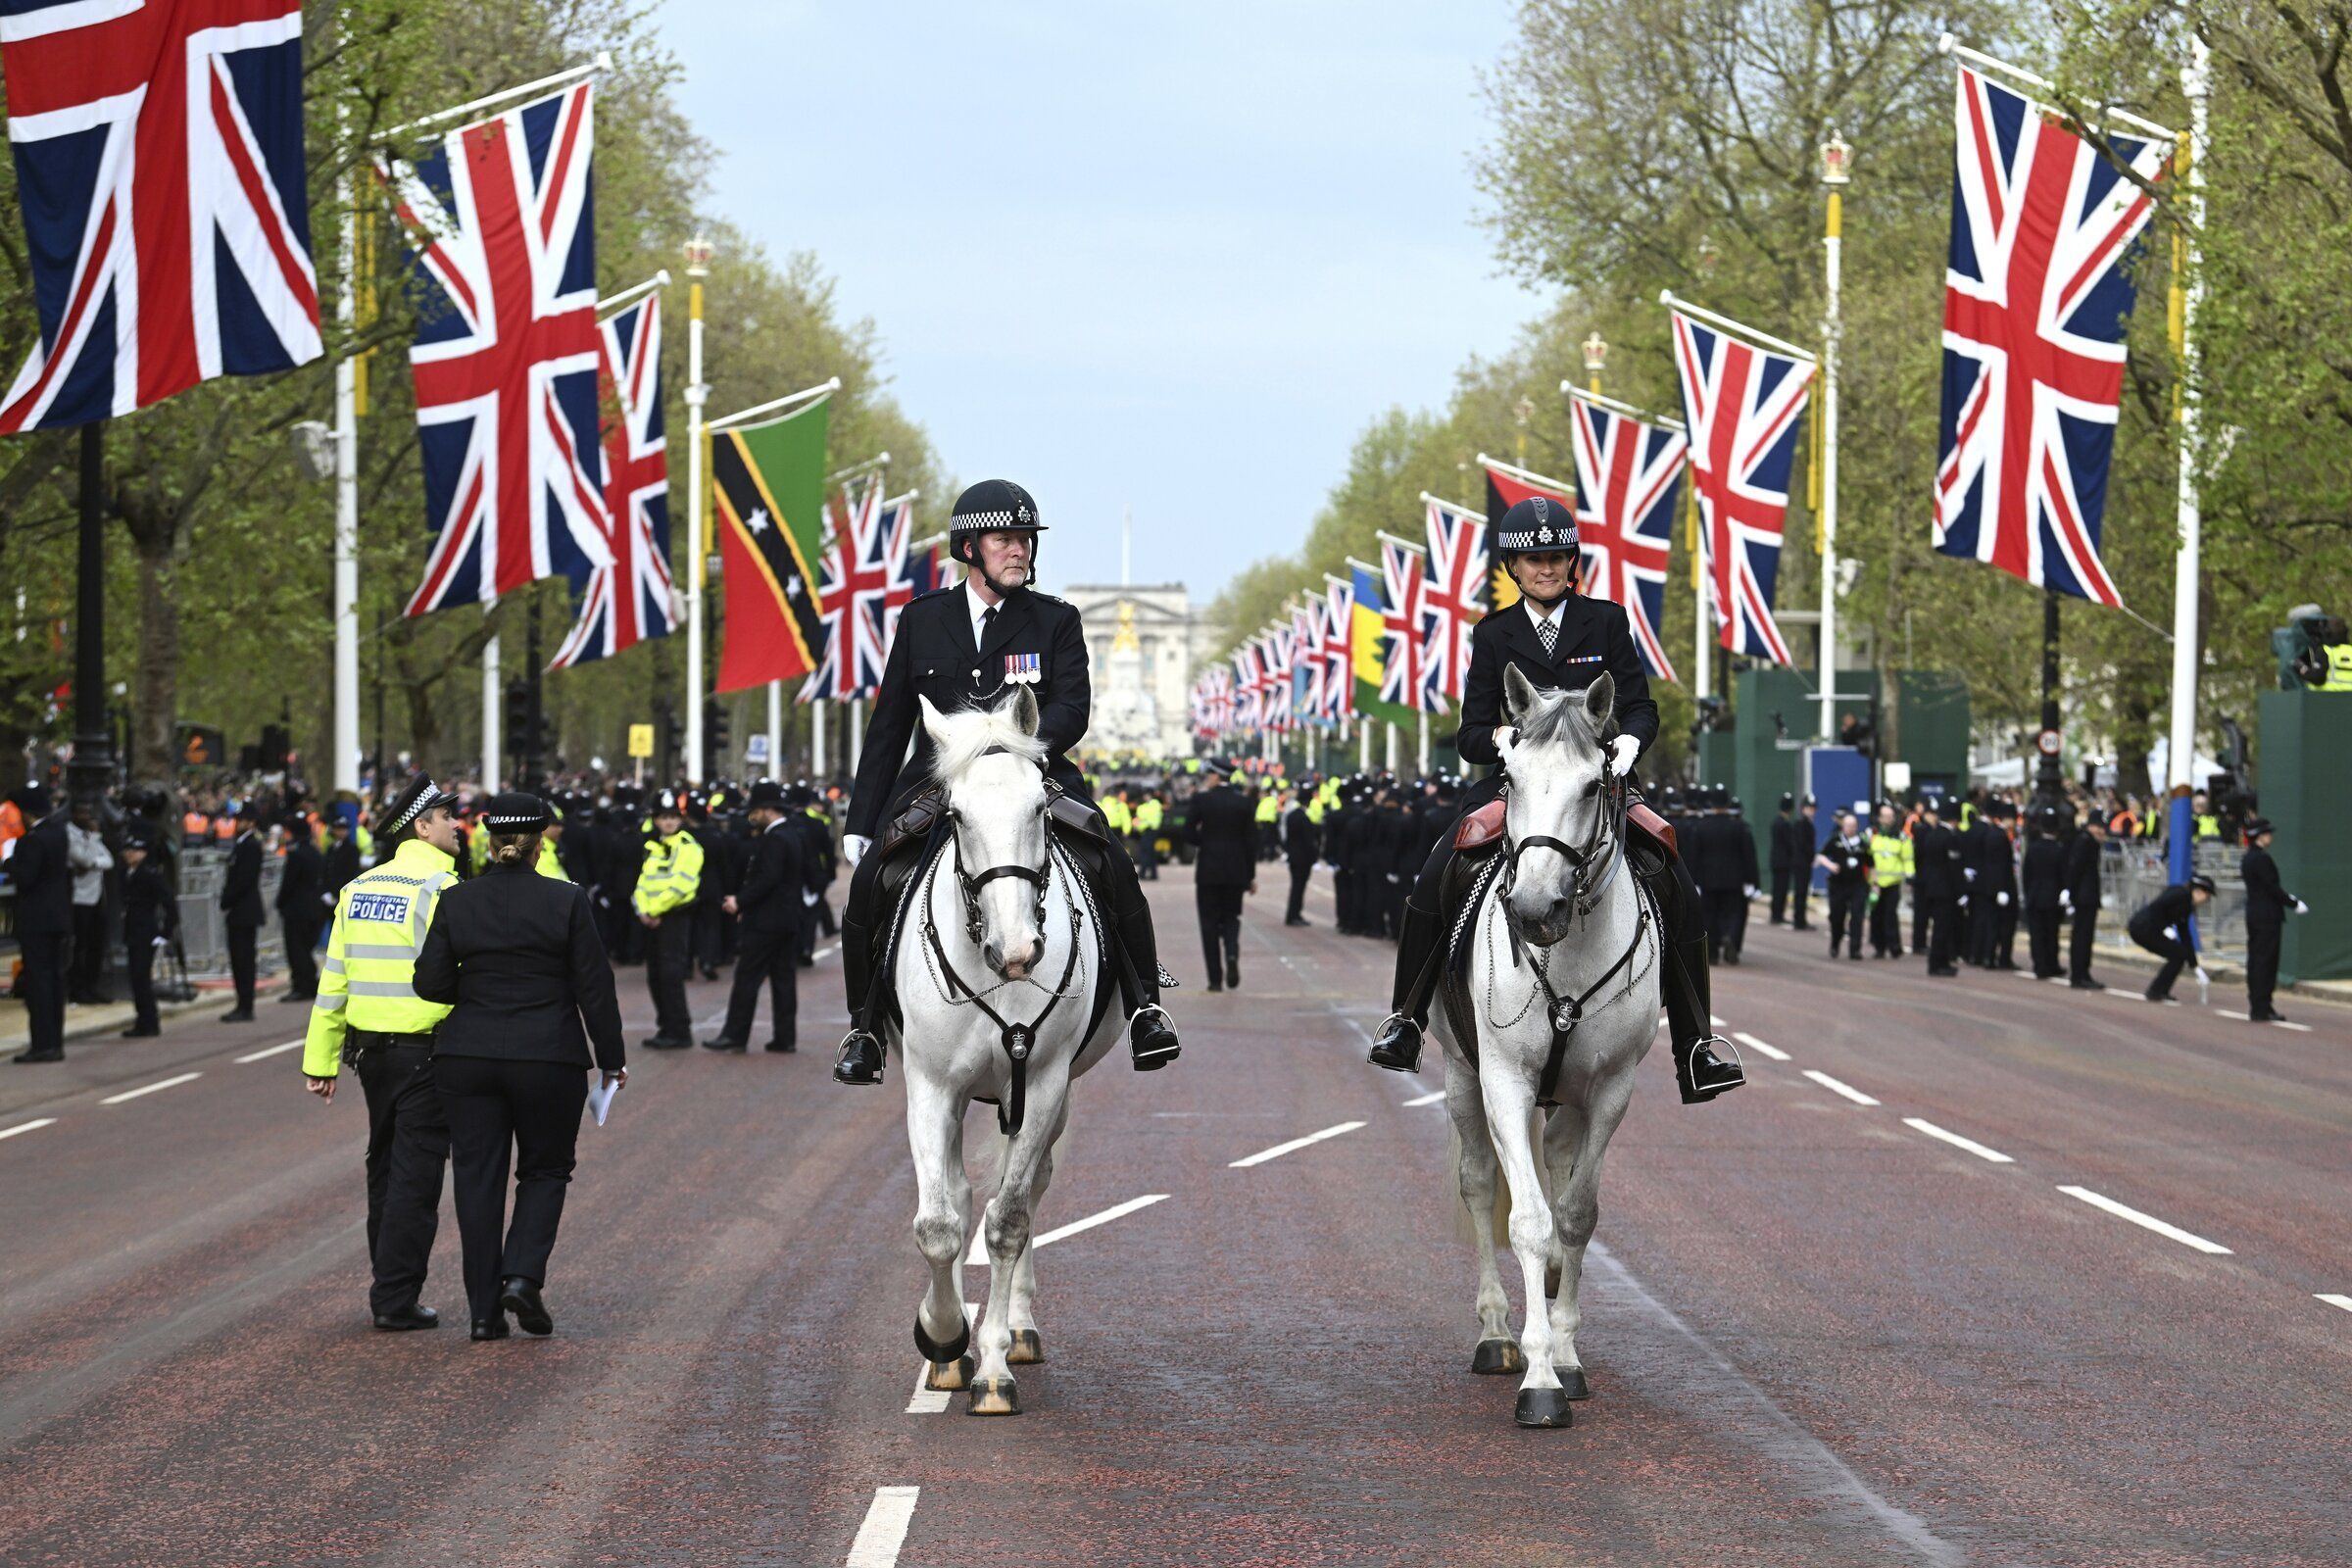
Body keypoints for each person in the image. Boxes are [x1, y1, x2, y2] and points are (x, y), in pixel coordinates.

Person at [1365, 496, 1743, 1104]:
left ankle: (1695, 1046)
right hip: (1515, 782)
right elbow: (1468, 733)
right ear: (1514, 568)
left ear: (1573, 563)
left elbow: (1642, 705)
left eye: (1558, 556)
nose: (1547, 567)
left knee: (1676, 875)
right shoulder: (1493, 634)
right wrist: (1502, 740)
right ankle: (1406, 1018)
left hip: (1598, 780)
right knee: (1437, 871)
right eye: (1534, 558)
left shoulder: (1608, 621)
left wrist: (1627, 742)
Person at [831, 479, 1178, 1086]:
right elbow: (889, 725)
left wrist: (1014, 745)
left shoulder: (1057, 621)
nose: (1018, 550)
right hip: (940, 778)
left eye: (1025, 539)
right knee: (871, 883)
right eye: (1004, 539)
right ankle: (863, 1027)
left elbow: (1074, 707)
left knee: (1112, 864)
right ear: (970, 548)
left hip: (1033, 770)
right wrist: (862, 822)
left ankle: (1146, 1005)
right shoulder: (922, 620)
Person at [414, 793, 625, 1341]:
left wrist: (481, 991)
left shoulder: (458, 901)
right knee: (545, 1169)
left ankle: (484, 1314)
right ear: (539, 844)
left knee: (477, 1181)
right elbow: (595, 990)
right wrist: (612, 1060)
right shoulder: (566, 901)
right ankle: (523, 1277)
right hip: (548, 1053)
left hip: (467, 1053)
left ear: (490, 842)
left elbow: (429, 983)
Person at [301, 777, 464, 1331]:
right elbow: (460, 973)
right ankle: (394, 1296)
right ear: (421, 826)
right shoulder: (443, 886)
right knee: (416, 1176)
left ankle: (389, 1280)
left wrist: (320, 1062)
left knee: (385, 1167)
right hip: (427, 1049)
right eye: (446, 816)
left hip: (369, 1055)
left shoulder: (357, 888)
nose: (456, 824)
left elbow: (334, 984)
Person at [706, 780, 807, 1054]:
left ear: (767, 810)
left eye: (756, 810)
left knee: (747, 978)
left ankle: (735, 1035)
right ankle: (785, 1037)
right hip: (786, 920)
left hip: (765, 923)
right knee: (783, 980)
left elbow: (766, 879)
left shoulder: (775, 838)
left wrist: (739, 901)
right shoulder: (791, 834)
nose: (752, 815)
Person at [632, 790, 704, 1051]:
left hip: (673, 918)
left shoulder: (688, 847)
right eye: (663, 817)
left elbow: (682, 886)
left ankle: (679, 1030)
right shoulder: (652, 847)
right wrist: (642, 909)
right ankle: (666, 1027)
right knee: (655, 976)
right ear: (655, 819)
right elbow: (643, 883)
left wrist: (653, 911)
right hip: (652, 919)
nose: (669, 822)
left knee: (671, 975)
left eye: (673, 816)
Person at [5, 786, 72, 1063]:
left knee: (39, 984)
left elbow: (26, 877)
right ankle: (54, 1042)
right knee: (55, 982)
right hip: (58, 918)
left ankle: (42, 1044)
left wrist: (8, 863)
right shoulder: (59, 833)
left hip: (36, 921)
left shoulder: (32, 840)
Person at [1189, 760, 1257, 989]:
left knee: (1208, 925)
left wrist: (1205, 842)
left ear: (1217, 776)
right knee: (1231, 917)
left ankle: (1215, 979)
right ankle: (1231, 952)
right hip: (1236, 870)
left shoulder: (1202, 800)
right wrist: (1250, 875)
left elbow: (1188, 832)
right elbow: (1251, 841)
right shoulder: (1244, 803)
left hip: (1208, 869)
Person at [2239, 817, 2306, 1022]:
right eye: (2267, 833)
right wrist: (2293, 903)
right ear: (2260, 836)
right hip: (2267, 915)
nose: (2271, 837)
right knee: (2266, 961)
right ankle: (2262, 1006)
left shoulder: (2248, 858)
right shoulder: (2261, 859)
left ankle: (2258, 1004)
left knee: (2257, 960)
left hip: (2254, 913)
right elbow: (2271, 888)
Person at [118, 822, 177, 1037]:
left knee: (142, 977)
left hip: (145, 931)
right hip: (133, 930)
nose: (127, 854)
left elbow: (169, 902)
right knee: (136, 978)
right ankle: (143, 1019)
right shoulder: (129, 873)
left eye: (132, 850)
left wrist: (165, 932)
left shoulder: (149, 874)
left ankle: (149, 1021)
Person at [2127, 873, 2216, 1004]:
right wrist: (2164, 928)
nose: (2206, 901)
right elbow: (2157, 906)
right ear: (2199, 891)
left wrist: (2195, 966)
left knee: (2179, 954)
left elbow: (2185, 934)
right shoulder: (2180, 894)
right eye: (2207, 896)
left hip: (2149, 929)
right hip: (2142, 928)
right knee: (2177, 955)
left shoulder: (2187, 905)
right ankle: (2155, 991)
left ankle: (2160, 991)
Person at [66, 799, 114, 1004]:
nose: (86, 817)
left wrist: (94, 863)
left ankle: (92, 985)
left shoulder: (91, 836)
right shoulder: (69, 835)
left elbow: (108, 860)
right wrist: (93, 841)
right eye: (82, 813)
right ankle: (77, 988)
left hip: (96, 897)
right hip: (79, 898)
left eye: (88, 813)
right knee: (80, 946)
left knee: (96, 944)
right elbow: (81, 858)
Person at [219, 809, 265, 1020]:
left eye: (244, 820)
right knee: (239, 960)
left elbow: (244, 879)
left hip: (245, 911)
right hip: (239, 911)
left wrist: (227, 898)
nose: (240, 823)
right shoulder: (242, 844)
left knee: (244, 959)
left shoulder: (251, 846)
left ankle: (245, 1005)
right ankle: (242, 1003)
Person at [276, 810, 327, 1003]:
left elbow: (288, 883)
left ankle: (301, 985)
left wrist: (280, 902)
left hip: (297, 910)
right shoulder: (315, 853)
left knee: (296, 950)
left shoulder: (297, 855)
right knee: (305, 949)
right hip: (313, 908)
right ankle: (310, 983)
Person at [1911, 799, 1962, 976]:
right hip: (1946, 889)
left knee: (1937, 927)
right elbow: (1953, 867)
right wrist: (1960, 890)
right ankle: (1938, 963)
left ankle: (1939, 961)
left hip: (1930, 887)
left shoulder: (1931, 835)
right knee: (1943, 928)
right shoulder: (1950, 838)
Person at [1818, 810, 1872, 959]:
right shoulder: (1835, 840)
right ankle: (1835, 942)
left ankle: (1855, 949)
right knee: (1837, 917)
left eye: (1854, 826)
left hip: (1857, 884)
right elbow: (1820, 855)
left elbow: (1871, 864)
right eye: (1848, 825)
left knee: (1857, 916)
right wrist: (1830, 865)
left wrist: (1874, 884)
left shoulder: (1863, 843)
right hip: (1838, 884)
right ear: (1843, 826)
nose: (1851, 828)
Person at [2021, 809, 2068, 980]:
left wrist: (2028, 894)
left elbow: (2026, 874)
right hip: (2052, 897)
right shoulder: (2059, 850)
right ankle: (2051, 963)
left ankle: (2039, 964)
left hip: (2034, 895)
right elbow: (2063, 875)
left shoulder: (2033, 849)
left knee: (2037, 934)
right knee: (2051, 933)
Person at [2062, 814, 2107, 990]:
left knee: (2084, 936)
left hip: (2085, 895)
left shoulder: (2086, 841)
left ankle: (2082, 973)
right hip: (2084, 896)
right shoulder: (2085, 842)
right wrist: (2071, 892)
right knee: (2082, 936)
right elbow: (2076, 867)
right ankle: (2079, 974)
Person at [1867, 803, 1911, 958]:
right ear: (1879, 818)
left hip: (1893, 882)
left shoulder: (1901, 836)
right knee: (1876, 914)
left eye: (1890, 816)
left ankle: (1894, 946)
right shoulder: (1872, 835)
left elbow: (1908, 858)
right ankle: (1879, 947)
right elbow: (1867, 857)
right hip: (1875, 882)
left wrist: (1910, 876)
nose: (1887, 820)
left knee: (1890, 915)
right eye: (1884, 816)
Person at [1281, 787, 1319, 927]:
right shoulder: (1304, 819)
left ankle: (1292, 914)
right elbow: (1309, 841)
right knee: (1299, 887)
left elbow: (1287, 837)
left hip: (1293, 856)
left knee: (1295, 886)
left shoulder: (1291, 816)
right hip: (1303, 858)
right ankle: (1294, 915)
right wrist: (1314, 856)